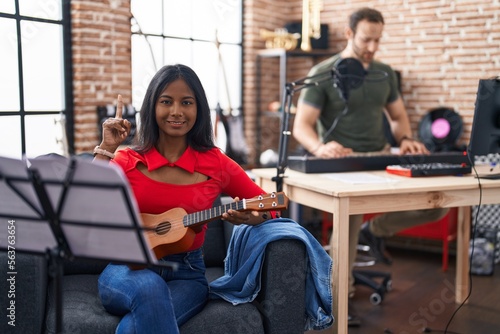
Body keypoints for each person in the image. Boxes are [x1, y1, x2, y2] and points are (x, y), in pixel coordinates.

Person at [93, 64, 280, 333]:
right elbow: (88, 203)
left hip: (187, 273)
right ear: (152, 108)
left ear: (199, 109)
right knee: (149, 287)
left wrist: (254, 217)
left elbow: (269, 206)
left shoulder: (217, 163)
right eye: (166, 101)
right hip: (126, 268)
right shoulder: (127, 159)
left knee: (134, 327)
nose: (177, 111)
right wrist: (107, 148)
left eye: (187, 102)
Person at [292, 7, 448, 326]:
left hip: (381, 157)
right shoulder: (323, 73)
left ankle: (375, 231)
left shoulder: (384, 73)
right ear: (349, 34)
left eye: (378, 40)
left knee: (438, 204)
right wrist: (320, 147)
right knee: (346, 224)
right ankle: (339, 301)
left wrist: (404, 137)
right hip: (342, 164)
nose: (373, 47)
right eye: (366, 39)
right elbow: (302, 126)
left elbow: (398, 116)